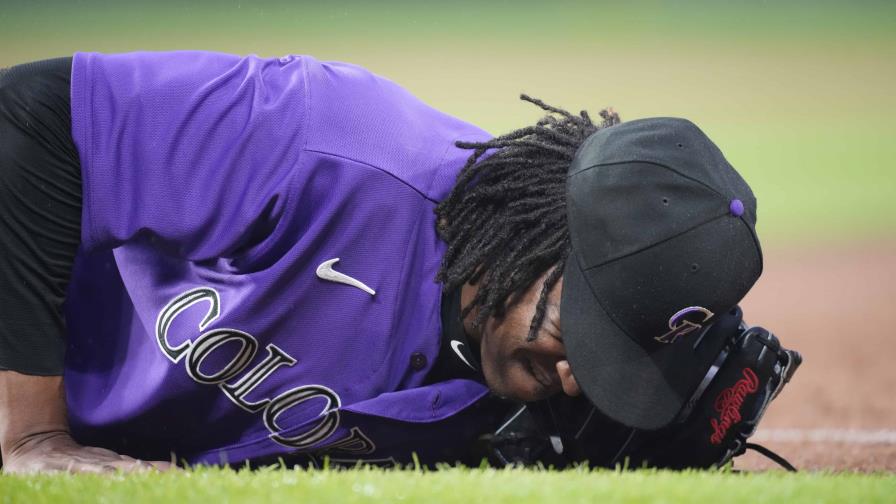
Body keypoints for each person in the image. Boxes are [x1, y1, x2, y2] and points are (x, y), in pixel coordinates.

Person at [0, 52, 766, 473]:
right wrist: (34, 437)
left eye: (614, 359)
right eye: (587, 331)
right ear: (532, 237)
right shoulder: (330, 144)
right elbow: (29, 117)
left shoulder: (509, 390)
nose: (577, 378)